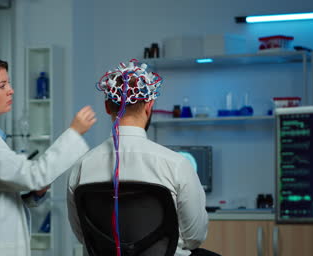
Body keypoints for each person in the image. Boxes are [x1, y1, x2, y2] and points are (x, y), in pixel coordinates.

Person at [0, 54, 96, 256]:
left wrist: (35, 194)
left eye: (9, 84)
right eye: (2, 86)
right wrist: (74, 133)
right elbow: (32, 176)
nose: (11, 90)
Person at [67, 59, 211, 256]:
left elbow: (84, 236)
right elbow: (194, 237)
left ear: (108, 107)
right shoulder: (176, 165)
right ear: (149, 106)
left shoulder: (81, 168)